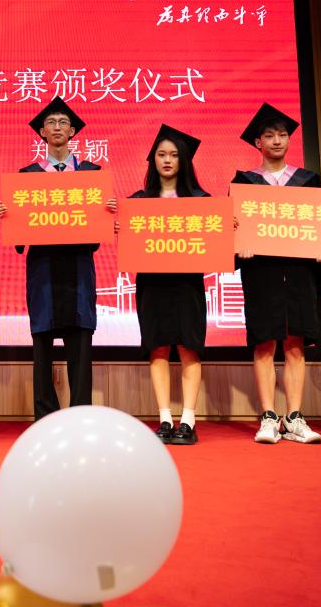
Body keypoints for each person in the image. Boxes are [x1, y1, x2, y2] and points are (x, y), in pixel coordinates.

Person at [0, 96, 115, 421]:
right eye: (51, 122)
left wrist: (107, 213)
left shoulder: (92, 175)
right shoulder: (27, 177)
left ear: (73, 131)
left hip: (78, 269)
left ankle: (80, 418)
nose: (58, 127)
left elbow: (97, 233)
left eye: (64, 122)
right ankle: (45, 419)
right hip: (44, 271)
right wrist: (11, 215)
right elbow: (20, 238)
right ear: (42, 132)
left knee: (81, 347)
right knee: (42, 348)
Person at [231, 103, 321, 445]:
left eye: (283, 135)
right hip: (262, 273)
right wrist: (239, 244)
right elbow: (233, 227)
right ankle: (269, 417)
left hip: (300, 272)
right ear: (257, 142)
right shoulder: (243, 182)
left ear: (289, 140)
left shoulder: (308, 181)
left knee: (296, 343)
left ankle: (295, 417)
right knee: (264, 342)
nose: (277, 140)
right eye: (269, 135)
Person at [126, 124, 210, 446]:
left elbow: (213, 244)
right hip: (153, 284)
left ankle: (188, 419)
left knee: (189, 347)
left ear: (183, 160)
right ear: (153, 160)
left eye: (174, 155)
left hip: (188, 284)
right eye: (161, 154)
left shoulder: (201, 201)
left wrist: (226, 227)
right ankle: (164, 418)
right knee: (157, 347)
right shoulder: (138, 202)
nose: (167, 160)